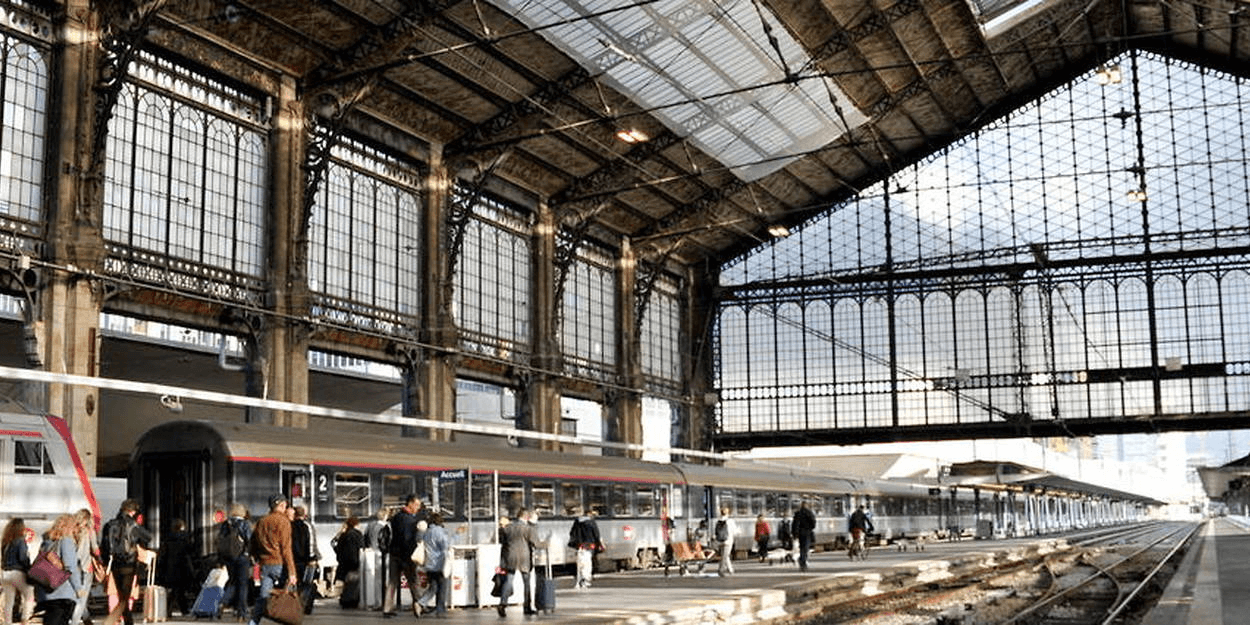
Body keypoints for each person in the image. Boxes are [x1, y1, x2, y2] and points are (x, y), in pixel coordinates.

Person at [100, 499, 152, 625]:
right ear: (132, 511)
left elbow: (104, 546)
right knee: (124, 596)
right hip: (129, 563)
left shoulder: (110, 525)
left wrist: (106, 562)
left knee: (121, 594)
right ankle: (125, 621)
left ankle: (124, 621)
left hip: (115, 564)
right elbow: (148, 537)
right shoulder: (133, 525)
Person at [247, 495, 297, 625]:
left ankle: (253, 623)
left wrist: (256, 558)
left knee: (263, 598)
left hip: (265, 565)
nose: (286, 507)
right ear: (280, 505)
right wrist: (292, 572)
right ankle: (289, 620)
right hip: (279, 564)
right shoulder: (283, 521)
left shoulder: (262, 521)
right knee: (288, 598)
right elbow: (286, 549)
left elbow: (252, 543)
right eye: (285, 505)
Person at [35, 515, 83, 625]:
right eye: (75, 526)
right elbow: (70, 567)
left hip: (46, 590)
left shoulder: (47, 542)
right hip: (62, 591)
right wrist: (78, 588)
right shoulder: (66, 541)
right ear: (70, 527)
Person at [383, 495, 425, 618]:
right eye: (416, 505)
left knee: (392, 582)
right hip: (405, 556)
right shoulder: (410, 520)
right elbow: (407, 539)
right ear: (410, 504)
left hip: (394, 553)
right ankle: (419, 606)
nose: (418, 508)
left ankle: (387, 608)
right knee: (413, 581)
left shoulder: (395, 517)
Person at [217, 503, 253, 621]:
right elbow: (249, 540)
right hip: (242, 557)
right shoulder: (245, 524)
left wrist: (221, 559)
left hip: (229, 558)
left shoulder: (225, 524)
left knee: (232, 582)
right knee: (243, 585)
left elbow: (219, 542)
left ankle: (223, 602)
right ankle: (241, 613)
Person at [497, 510, 536, 618]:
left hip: (511, 558)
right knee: (526, 583)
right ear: (527, 518)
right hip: (524, 558)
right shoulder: (528, 528)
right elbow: (535, 543)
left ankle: (502, 604)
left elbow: (503, 542)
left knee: (508, 582)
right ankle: (527, 607)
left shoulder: (508, 528)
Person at [156, 519, 197, 618]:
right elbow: (191, 551)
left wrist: (161, 568)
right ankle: (180, 610)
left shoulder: (167, 539)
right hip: (183, 568)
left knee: (176, 590)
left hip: (171, 568)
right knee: (178, 590)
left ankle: (174, 610)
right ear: (182, 527)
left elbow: (163, 556)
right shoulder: (186, 538)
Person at [1, 518, 34, 625]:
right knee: (29, 595)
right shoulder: (20, 540)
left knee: (8, 601)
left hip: (5, 574)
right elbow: (23, 558)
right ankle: (25, 619)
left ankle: (7, 622)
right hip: (17, 573)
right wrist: (30, 570)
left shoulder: (6, 541)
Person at [70, 509, 98, 625]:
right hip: (85, 567)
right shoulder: (89, 531)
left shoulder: (71, 530)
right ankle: (75, 622)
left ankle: (87, 620)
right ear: (86, 519)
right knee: (82, 598)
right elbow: (95, 549)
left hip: (71, 568)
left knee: (79, 596)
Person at [418, 514, 450, 618]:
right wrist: (457, 534)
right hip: (439, 563)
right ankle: (440, 610)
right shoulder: (439, 531)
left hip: (429, 564)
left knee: (433, 587)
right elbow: (446, 545)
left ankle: (421, 603)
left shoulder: (426, 532)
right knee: (442, 587)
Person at [290, 506, 320, 613]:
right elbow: (311, 543)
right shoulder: (308, 526)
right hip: (306, 560)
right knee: (307, 583)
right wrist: (312, 557)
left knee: (295, 583)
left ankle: (294, 605)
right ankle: (304, 605)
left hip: (293, 560)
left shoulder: (290, 525)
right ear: (304, 514)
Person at [331, 516, 365, 609]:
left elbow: (335, 545)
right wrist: (356, 562)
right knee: (353, 583)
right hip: (352, 563)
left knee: (347, 583)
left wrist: (339, 556)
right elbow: (356, 550)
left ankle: (345, 600)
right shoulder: (356, 535)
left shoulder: (343, 534)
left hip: (343, 563)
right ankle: (350, 601)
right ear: (356, 524)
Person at [567, 509, 601, 589]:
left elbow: (572, 533)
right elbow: (596, 535)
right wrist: (598, 545)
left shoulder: (577, 522)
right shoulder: (592, 522)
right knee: (587, 564)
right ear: (589, 515)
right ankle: (586, 581)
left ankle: (578, 581)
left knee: (580, 564)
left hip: (580, 546)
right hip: (589, 546)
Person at [792, 501, 816, 571]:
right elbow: (813, 522)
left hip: (800, 533)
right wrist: (810, 528)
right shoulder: (809, 513)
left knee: (802, 547)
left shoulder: (797, 513)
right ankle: (803, 561)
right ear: (807, 505)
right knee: (806, 548)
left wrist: (795, 533)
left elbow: (795, 524)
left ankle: (802, 560)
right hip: (807, 532)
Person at [714, 507, 736, 576]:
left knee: (725, 555)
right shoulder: (730, 521)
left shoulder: (718, 521)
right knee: (725, 556)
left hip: (720, 541)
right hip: (728, 541)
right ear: (728, 513)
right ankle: (721, 570)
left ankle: (730, 569)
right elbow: (734, 531)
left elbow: (716, 532)